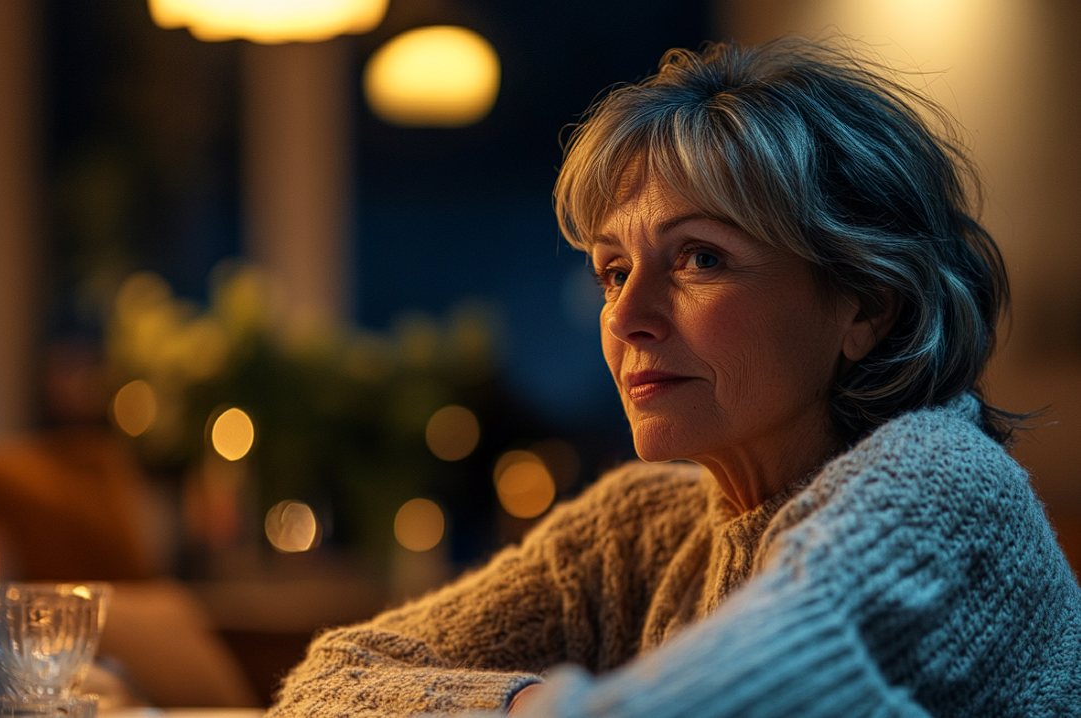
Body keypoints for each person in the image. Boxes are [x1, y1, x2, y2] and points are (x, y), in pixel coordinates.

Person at [267, 38, 1081, 718]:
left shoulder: (942, 490)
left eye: (700, 257)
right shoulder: (639, 531)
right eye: (613, 272)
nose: (626, 319)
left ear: (865, 305)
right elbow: (330, 681)